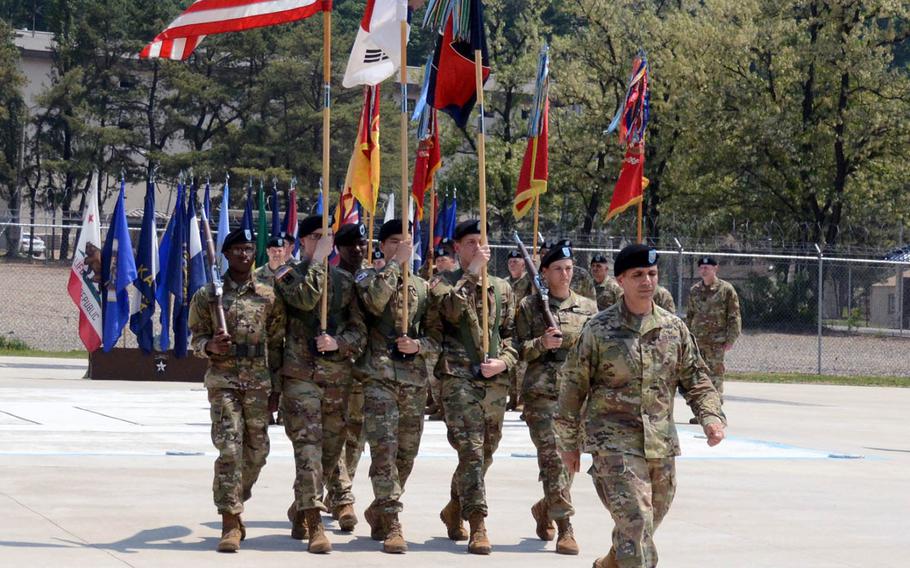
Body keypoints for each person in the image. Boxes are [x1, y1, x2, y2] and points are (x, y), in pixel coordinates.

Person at [556, 244, 726, 568]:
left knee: (643, 526)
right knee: (636, 523)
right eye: (638, 275)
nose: (647, 281)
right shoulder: (599, 329)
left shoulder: (674, 329)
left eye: (652, 274)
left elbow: (697, 378)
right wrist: (568, 444)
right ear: (621, 280)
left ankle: (611, 563)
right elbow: (572, 388)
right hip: (613, 445)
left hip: (660, 444)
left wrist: (711, 417)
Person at [188, 228, 286, 553]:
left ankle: (236, 497)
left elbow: (277, 343)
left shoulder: (268, 295)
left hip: (259, 382)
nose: (244, 255)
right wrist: (210, 346)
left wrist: (277, 389)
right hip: (225, 380)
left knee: (257, 452)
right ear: (227, 255)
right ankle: (229, 520)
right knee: (229, 450)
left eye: (248, 249)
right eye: (238, 250)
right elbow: (194, 339)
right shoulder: (208, 296)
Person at [274, 214, 366, 553]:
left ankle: (302, 504)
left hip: (336, 379)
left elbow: (359, 331)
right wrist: (317, 261)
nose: (322, 241)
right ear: (303, 242)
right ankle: (315, 523)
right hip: (300, 377)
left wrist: (338, 343)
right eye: (315, 236)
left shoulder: (344, 281)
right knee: (308, 450)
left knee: (329, 453)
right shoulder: (287, 274)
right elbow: (305, 300)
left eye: (327, 236)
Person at [430, 219, 518, 555]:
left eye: (482, 243)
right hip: (458, 377)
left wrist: (504, 362)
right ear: (457, 248)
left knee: (484, 454)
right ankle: (478, 523)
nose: (477, 248)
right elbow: (450, 311)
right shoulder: (443, 281)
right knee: (470, 450)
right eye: (470, 243)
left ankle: (454, 507)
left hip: (493, 381)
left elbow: (511, 335)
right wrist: (470, 275)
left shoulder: (502, 287)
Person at [355, 219, 442, 553]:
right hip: (378, 377)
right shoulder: (368, 278)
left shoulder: (422, 287)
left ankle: (380, 505)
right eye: (393, 242)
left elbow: (436, 336)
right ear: (382, 246)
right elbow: (375, 303)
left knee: (406, 454)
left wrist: (419, 346)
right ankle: (392, 520)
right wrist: (393, 265)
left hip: (413, 381)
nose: (400, 247)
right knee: (384, 451)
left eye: (405, 242)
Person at [514, 242, 597, 555]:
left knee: (567, 463)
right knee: (553, 460)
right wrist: (541, 343)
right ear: (544, 273)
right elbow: (517, 349)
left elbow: (595, 351)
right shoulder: (529, 307)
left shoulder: (589, 308)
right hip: (542, 394)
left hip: (576, 396)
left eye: (569, 268)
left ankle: (545, 507)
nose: (565, 273)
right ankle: (565, 527)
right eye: (559, 269)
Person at [321, 222, 370, 530]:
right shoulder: (332, 280)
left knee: (356, 437)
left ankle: (335, 489)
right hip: (335, 367)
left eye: (362, 244)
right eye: (351, 245)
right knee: (334, 432)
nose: (358, 249)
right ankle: (342, 498)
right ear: (338, 249)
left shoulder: (371, 279)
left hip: (365, 369)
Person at [685, 256, 741, 419]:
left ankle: (714, 412)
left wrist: (731, 339)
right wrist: (686, 337)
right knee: (698, 377)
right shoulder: (695, 290)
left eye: (707, 267)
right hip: (697, 341)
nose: (704, 270)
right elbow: (690, 315)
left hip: (716, 343)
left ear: (715, 269)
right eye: (701, 267)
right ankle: (702, 412)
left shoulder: (726, 290)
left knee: (715, 377)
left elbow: (734, 316)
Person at [505, 249, 530, 412]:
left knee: (522, 365)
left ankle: (522, 399)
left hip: (524, 327)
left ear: (523, 264)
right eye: (510, 262)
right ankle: (512, 398)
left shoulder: (529, 280)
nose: (512, 264)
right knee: (511, 364)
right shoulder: (505, 283)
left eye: (516, 261)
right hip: (509, 327)